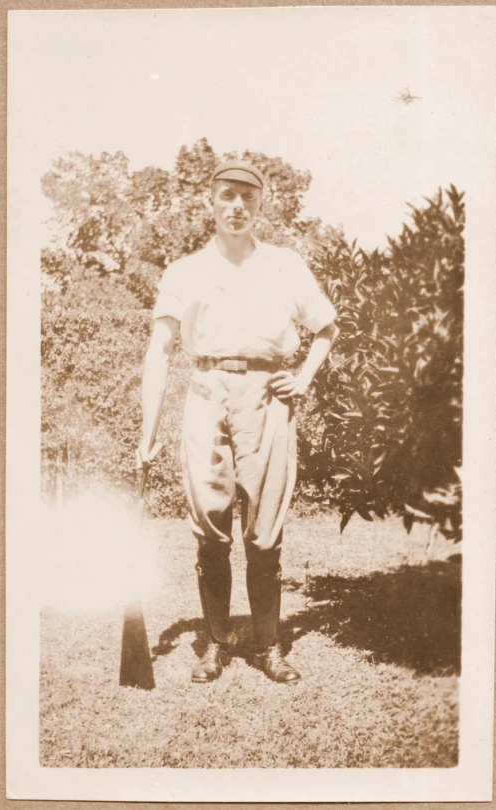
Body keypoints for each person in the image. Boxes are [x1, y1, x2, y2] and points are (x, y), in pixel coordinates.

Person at [138, 159, 337, 684]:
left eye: (248, 197)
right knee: (209, 528)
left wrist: (305, 377)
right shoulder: (184, 270)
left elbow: (325, 328)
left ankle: (270, 646)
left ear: (260, 205)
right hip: (205, 393)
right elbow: (159, 351)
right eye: (227, 195)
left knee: (265, 532)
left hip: (269, 396)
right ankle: (217, 645)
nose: (237, 206)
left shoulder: (285, 264)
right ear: (211, 201)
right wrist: (148, 431)